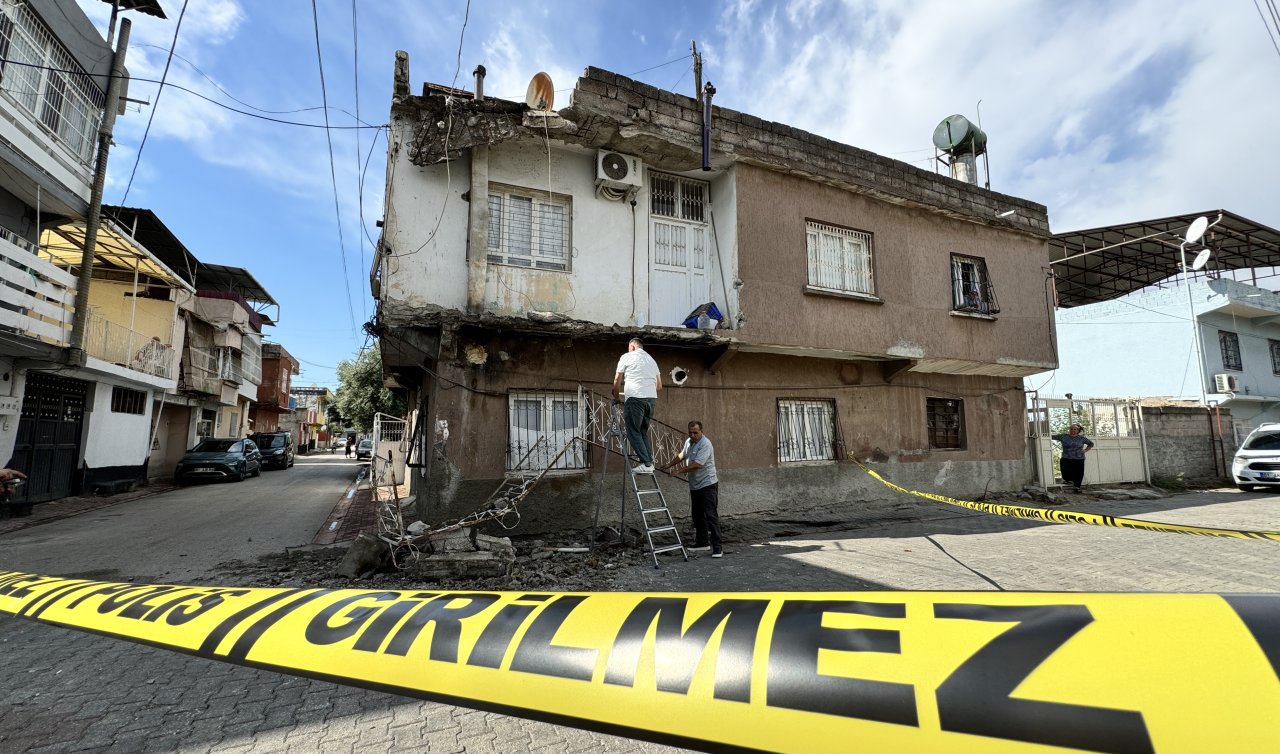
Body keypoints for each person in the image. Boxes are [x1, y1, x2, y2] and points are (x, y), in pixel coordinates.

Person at [660, 420, 722, 558]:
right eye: (690, 432)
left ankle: (717, 547)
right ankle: (702, 542)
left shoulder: (706, 444)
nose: (692, 435)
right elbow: (682, 455)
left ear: (701, 431)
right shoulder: (689, 441)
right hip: (695, 485)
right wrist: (669, 464)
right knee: (697, 515)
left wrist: (679, 471)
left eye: (695, 432)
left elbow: (698, 464)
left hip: (708, 484)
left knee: (711, 515)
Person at [612, 338, 662, 473]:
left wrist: (616, 397)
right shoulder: (651, 360)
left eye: (628, 348)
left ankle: (647, 464)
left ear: (632, 347)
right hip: (651, 399)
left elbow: (617, 380)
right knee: (642, 432)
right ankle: (649, 462)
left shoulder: (627, 357)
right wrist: (646, 389)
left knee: (633, 432)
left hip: (635, 398)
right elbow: (659, 386)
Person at [1052, 423, 1094, 491]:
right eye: (1071, 429)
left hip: (1079, 458)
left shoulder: (1082, 438)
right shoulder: (1063, 436)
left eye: (1075, 429)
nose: (1073, 430)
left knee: (1079, 473)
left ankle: (1077, 487)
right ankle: (1068, 480)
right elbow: (1051, 437)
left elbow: (1091, 444)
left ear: (1078, 430)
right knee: (1065, 469)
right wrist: (1042, 435)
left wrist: (1085, 450)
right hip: (1066, 457)